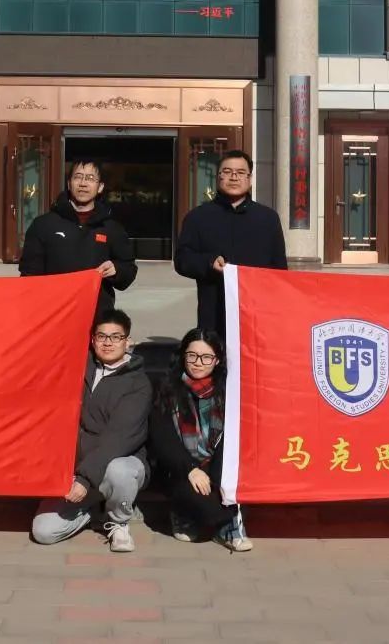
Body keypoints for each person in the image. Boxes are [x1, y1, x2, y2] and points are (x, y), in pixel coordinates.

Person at [31, 309, 151, 553]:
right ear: (93, 340)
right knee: (44, 531)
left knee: (120, 472)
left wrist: (84, 479)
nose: (108, 343)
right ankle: (94, 509)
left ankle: (118, 520)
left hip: (113, 464)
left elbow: (117, 440)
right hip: (76, 471)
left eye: (116, 337)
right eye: (102, 336)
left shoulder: (138, 385)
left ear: (128, 341)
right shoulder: (76, 368)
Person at [148, 328, 252, 552]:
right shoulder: (166, 388)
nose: (198, 363)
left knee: (227, 489)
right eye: (192, 355)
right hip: (180, 469)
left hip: (216, 467)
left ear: (217, 360)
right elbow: (162, 438)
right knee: (206, 506)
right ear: (183, 356)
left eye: (206, 357)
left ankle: (224, 524)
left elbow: (232, 438)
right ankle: (198, 516)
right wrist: (191, 469)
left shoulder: (229, 390)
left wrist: (218, 474)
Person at [174, 150, 287, 335]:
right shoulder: (198, 217)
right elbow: (182, 260)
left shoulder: (268, 218)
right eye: (227, 172)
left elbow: (280, 270)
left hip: (257, 314)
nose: (234, 177)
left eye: (241, 172)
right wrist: (209, 262)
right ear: (218, 177)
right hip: (213, 314)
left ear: (250, 179)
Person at [18, 159, 137, 314]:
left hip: (97, 313)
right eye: (78, 177)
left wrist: (117, 269)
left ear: (100, 187)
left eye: (90, 178)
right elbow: (29, 276)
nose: (83, 183)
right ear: (69, 184)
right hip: (54, 313)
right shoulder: (43, 225)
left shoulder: (111, 228)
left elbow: (128, 270)